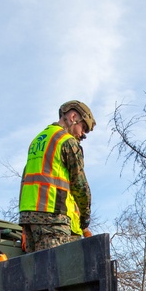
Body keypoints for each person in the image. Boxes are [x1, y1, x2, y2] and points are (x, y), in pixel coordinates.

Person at [19, 100, 95, 253]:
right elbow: (80, 185)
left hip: (28, 217)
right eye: (83, 128)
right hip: (53, 216)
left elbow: (25, 178)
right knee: (55, 271)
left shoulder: (38, 140)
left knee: (36, 271)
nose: (81, 134)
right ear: (73, 116)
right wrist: (85, 218)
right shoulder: (67, 142)